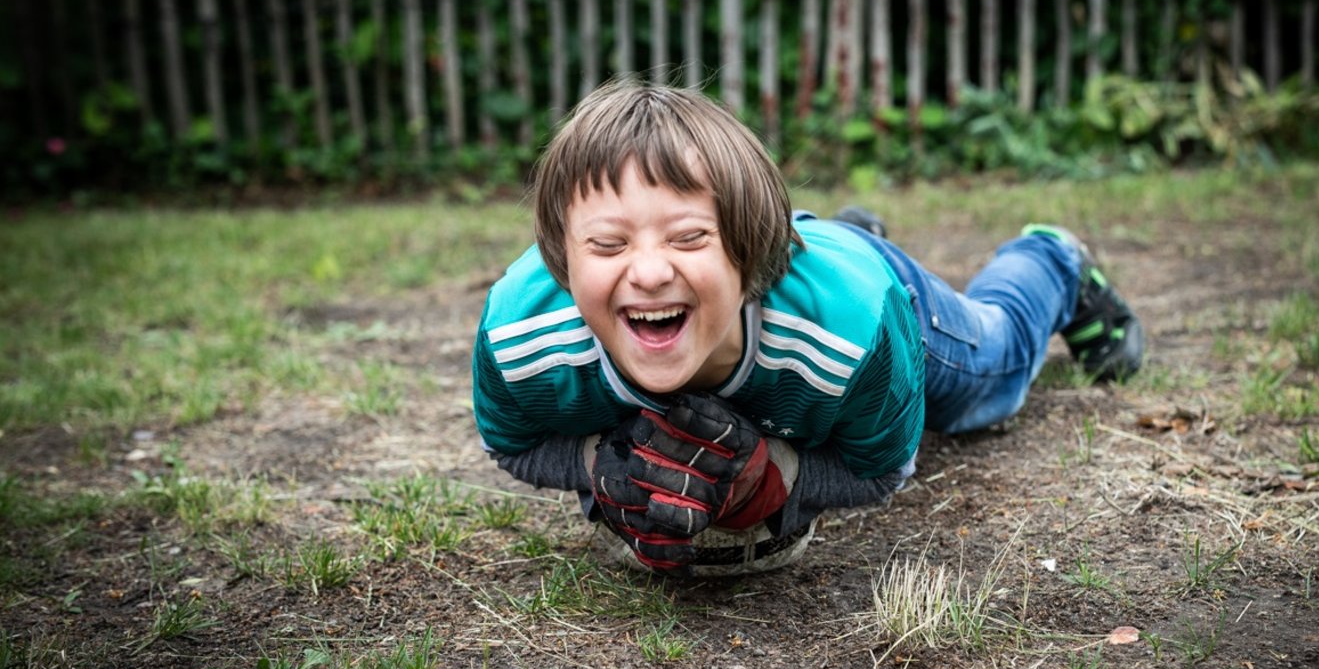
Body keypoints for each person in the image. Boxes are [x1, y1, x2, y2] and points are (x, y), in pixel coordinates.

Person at [472, 81, 1144, 576]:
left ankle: (1052, 261)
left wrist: (776, 475)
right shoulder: (517, 333)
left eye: (689, 237)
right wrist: (598, 461)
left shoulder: (853, 329)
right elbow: (511, 447)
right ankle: (841, 228)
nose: (647, 272)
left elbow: (882, 470)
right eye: (608, 246)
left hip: (863, 284)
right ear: (563, 259)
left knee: (988, 380)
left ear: (749, 251)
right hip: (812, 279)